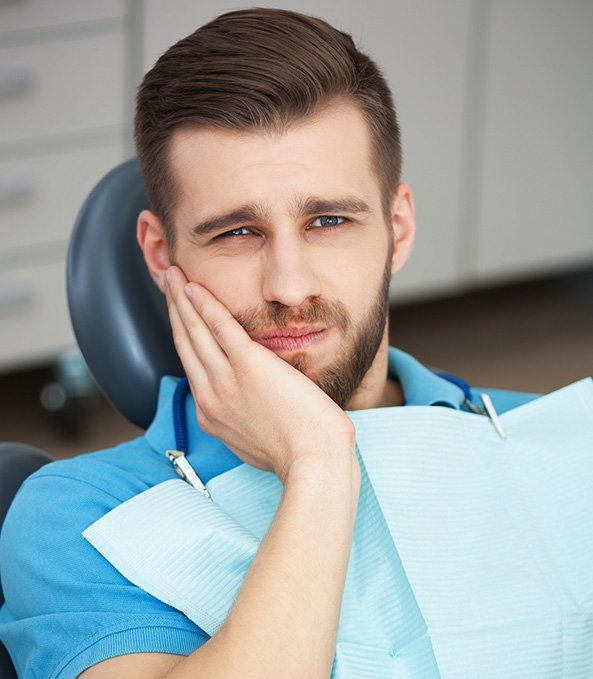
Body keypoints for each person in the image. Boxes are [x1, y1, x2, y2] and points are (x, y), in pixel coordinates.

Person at [0, 7, 541, 678]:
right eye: (236, 232)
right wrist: (318, 463)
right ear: (160, 253)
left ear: (397, 229)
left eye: (328, 220)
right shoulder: (77, 516)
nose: (288, 285)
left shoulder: (549, 444)